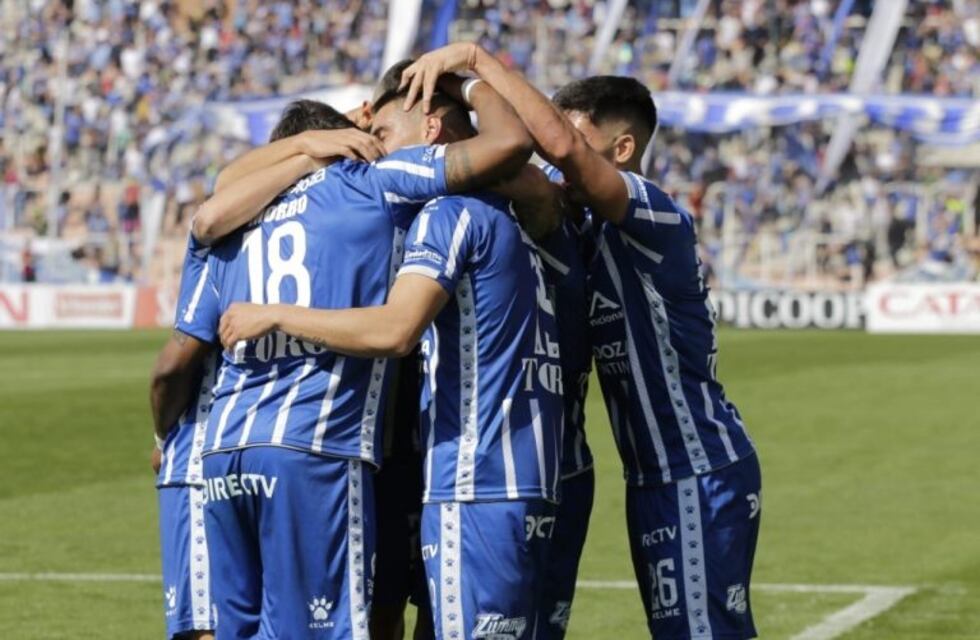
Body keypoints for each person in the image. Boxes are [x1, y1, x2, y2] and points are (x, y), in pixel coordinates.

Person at [402, 43, 762, 640]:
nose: (553, 164)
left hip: (697, 468)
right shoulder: (584, 233)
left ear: (621, 150)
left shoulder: (656, 214)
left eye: (567, 150)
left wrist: (473, 64)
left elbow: (562, 150)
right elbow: (531, 174)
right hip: (651, 477)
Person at [218, 72, 563, 640]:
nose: (370, 138)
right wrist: (315, 143)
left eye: (379, 127)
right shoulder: (499, 206)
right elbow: (223, 185)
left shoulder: (437, 199)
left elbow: (398, 328)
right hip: (492, 461)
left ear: (429, 126)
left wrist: (466, 71)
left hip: (457, 464)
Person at [149, 231, 222, 640]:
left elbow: (169, 369)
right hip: (296, 451)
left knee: (200, 628)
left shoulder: (220, 260)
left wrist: (161, 439)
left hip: (202, 454)